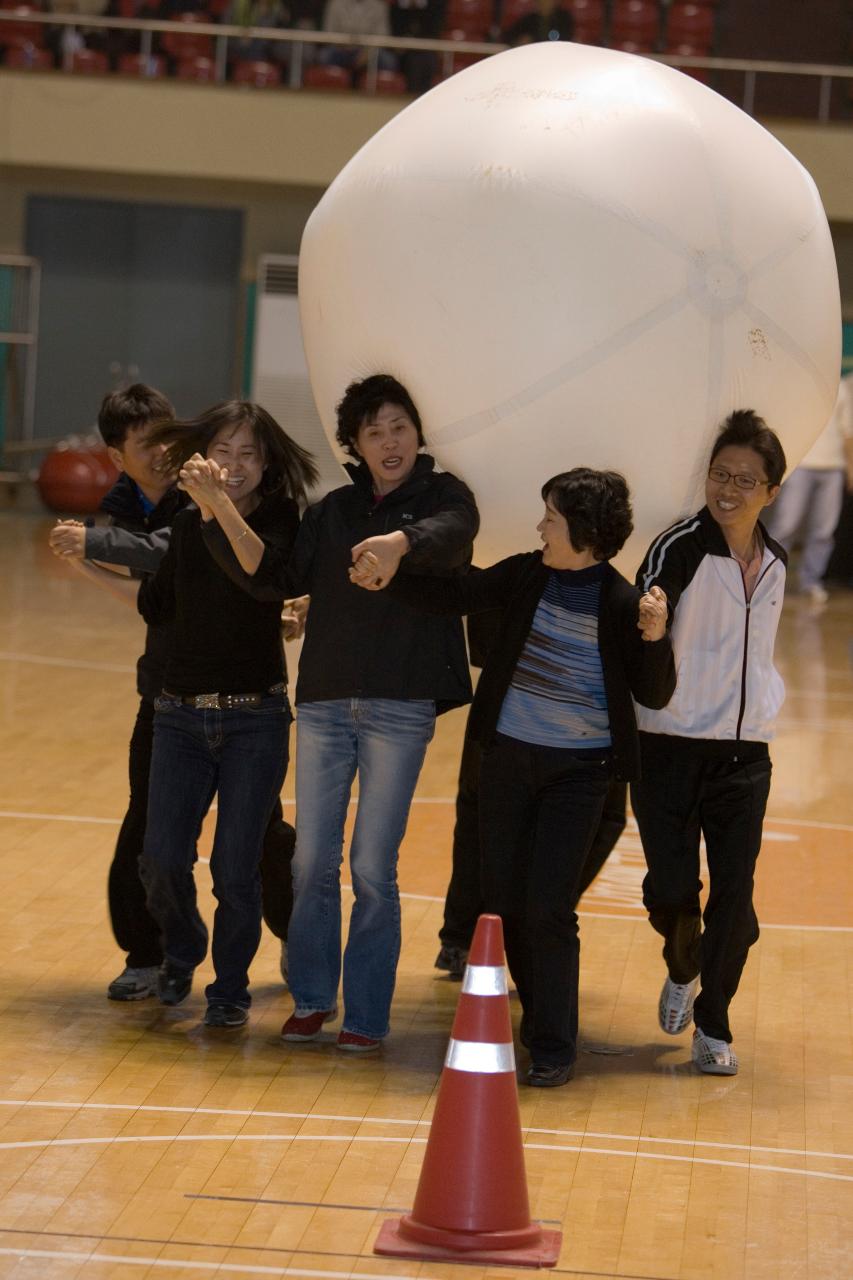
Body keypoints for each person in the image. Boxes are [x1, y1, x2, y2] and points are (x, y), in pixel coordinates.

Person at [355, 468, 675, 1086]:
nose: (540, 528)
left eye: (550, 519)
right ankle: (531, 1026)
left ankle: (554, 1045)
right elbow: (457, 594)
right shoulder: (529, 573)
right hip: (505, 762)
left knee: (548, 908)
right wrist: (388, 575)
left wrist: (657, 637)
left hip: (579, 775)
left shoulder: (621, 601)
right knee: (502, 904)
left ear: (582, 531)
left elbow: (655, 692)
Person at [203, 374, 478, 1050]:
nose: (389, 441)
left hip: (400, 705)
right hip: (325, 702)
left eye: (399, 427)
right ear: (354, 443)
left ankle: (365, 1016)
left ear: (418, 434)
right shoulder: (332, 511)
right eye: (373, 431)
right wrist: (217, 506)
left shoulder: (443, 497)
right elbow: (275, 576)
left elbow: (453, 533)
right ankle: (314, 997)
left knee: (373, 868)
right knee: (310, 864)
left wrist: (397, 544)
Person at [49, 385, 301, 1000]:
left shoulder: (250, 507)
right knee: (153, 838)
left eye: (168, 438)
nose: (162, 453)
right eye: (145, 445)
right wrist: (88, 560)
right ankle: (155, 953)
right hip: (171, 699)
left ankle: (290, 946)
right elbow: (155, 590)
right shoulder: (144, 508)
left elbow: (262, 569)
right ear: (117, 455)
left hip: (248, 706)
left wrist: (96, 545)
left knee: (252, 846)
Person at [137, 400, 317, 1029]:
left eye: (248, 454)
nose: (234, 465)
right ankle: (184, 949)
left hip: (256, 718)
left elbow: (264, 578)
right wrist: (181, 516)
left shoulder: (281, 517)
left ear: (267, 465)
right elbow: (157, 606)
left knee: (236, 869)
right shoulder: (188, 520)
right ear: (203, 457)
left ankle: (230, 990)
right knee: (160, 857)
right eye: (223, 451)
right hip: (180, 716)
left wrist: (216, 511)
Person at [631, 409, 787, 1076]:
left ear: (770, 492)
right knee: (671, 893)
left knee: (734, 896)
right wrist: (650, 627)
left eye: (744, 480)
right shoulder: (680, 547)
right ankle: (681, 959)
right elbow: (643, 613)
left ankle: (713, 1025)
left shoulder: (775, 562)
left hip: (744, 754)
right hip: (667, 745)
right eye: (719, 475)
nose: (728, 489)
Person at [434, 603, 629, 980]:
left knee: (483, 816)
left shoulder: (608, 591)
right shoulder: (537, 579)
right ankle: (498, 929)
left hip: (554, 713)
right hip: (528, 712)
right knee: (483, 815)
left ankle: (499, 928)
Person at [762, 375, 853, 605]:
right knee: (786, 525)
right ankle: (767, 580)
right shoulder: (797, 385)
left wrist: (850, 469)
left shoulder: (841, 388)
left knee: (824, 530)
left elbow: (847, 433)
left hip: (834, 468)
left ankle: (811, 581)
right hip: (800, 465)